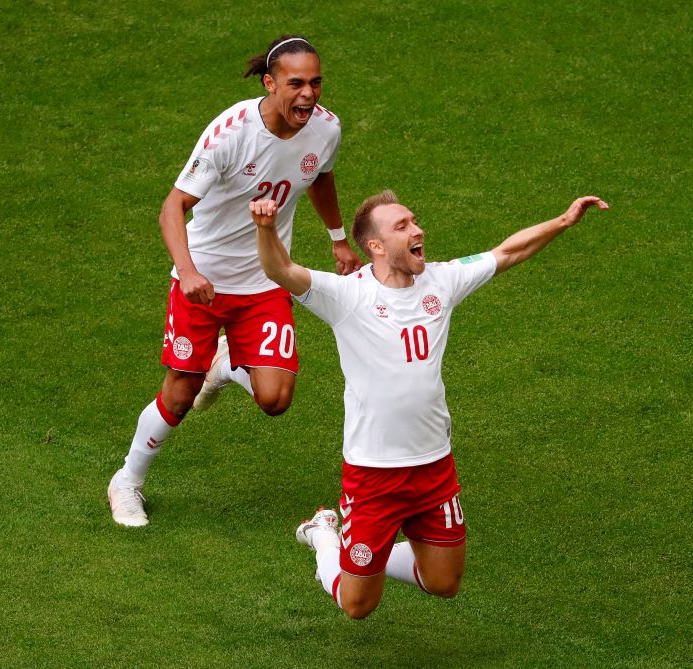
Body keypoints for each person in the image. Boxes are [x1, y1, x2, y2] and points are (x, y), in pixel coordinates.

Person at [251, 190, 609, 618]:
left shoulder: (441, 281)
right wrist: (266, 228)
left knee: (444, 582)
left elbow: (507, 253)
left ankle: (367, 554)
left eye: (414, 220)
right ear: (376, 246)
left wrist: (563, 221)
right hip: (373, 475)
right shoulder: (346, 296)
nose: (417, 230)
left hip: (434, 467)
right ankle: (325, 538)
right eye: (402, 226)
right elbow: (280, 269)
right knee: (358, 605)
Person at [107, 35, 363, 527]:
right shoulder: (230, 133)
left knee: (275, 398)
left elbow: (320, 176)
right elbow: (172, 207)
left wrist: (338, 239)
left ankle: (225, 365)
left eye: (315, 82)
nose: (309, 94)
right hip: (203, 280)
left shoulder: (326, 128)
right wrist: (188, 272)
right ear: (269, 83)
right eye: (296, 83)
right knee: (180, 393)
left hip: (266, 278)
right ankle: (127, 481)